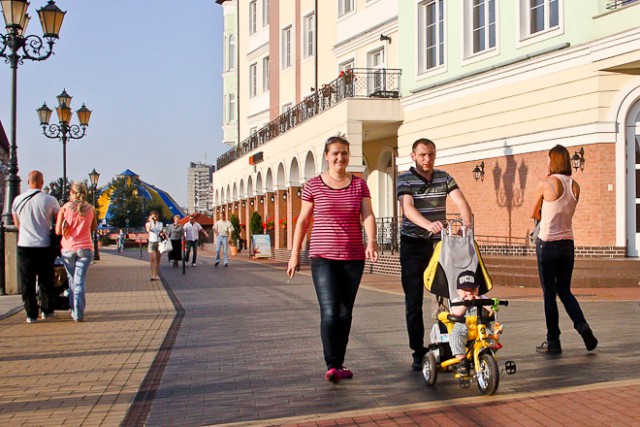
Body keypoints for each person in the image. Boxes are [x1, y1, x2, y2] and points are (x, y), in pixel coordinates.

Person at [287, 135, 379, 384]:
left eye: (345, 153)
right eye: (335, 153)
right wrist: (295, 254)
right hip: (322, 257)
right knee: (329, 312)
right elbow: (303, 220)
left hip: (353, 257)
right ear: (327, 156)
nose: (340, 157)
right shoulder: (313, 185)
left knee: (345, 313)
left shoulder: (359, 185)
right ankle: (331, 364)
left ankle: (339, 362)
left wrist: (371, 241)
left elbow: (368, 214)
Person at [397, 138, 473, 370]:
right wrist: (427, 224)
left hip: (440, 245)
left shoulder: (444, 177)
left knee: (445, 296)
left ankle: (446, 347)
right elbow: (408, 208)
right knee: (413, 299)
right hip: (412, 245)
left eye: (431, 154)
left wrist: (467, 227)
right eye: (422, 155)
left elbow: (461, 202)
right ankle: (417, 351)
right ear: (413, 156)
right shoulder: (405, 179)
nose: (427, 159)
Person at [531, 144, 597, 354]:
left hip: (547, 243)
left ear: (553, 161)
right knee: (565, 291)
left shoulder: (547, 184)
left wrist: (546, 182)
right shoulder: (576, 186)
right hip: (567, 244)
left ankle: (553, 341)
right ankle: (582, 325)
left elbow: (534, 212)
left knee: (549, 294)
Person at [12, 170, 60, 323]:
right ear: (42, 182)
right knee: (46, 279)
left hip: (25, 245)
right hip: (44, 244)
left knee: (27, 281)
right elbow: (58, 222)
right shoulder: (50, 200)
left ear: (28, 182)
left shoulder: (17, 200)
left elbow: (17, 224)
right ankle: (47, 310)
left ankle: (31, 314)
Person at [55, 181, 97, 323]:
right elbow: (93, 228)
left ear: (72, 193)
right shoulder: (91, 209)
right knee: (80, 280)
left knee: (72, 280)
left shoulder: (65, 208)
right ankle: (79, 311)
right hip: (85, 248)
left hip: (68, 248)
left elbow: (57, 231)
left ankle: (75, 309)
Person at [145, 211, 163, 280]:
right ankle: (152, 275)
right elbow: (148, 230)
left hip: (158, 242)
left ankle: (156, 274)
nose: (154, 218)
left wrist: (156, 228)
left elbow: (159, 231)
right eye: (153, 216)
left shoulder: (160, 224)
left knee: (158, 260)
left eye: (155, 216)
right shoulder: (148, 224)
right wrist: (152, 222)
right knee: (152, 259)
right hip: (151, 242)